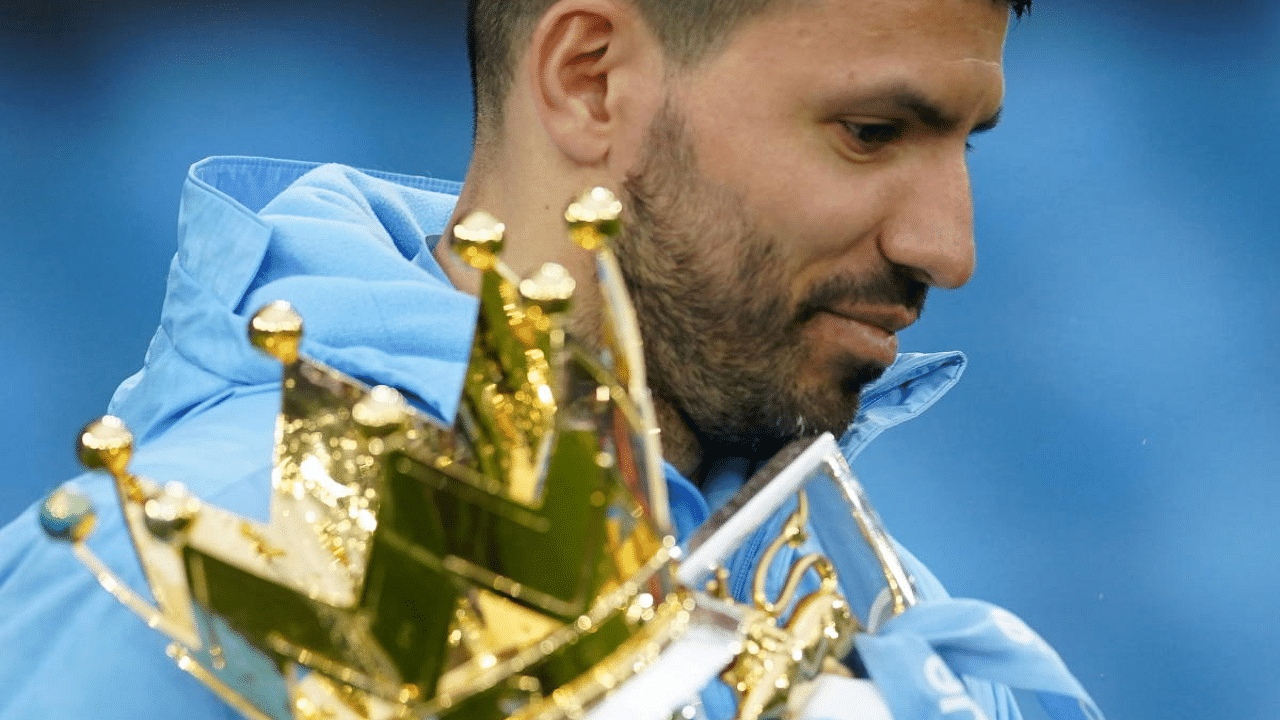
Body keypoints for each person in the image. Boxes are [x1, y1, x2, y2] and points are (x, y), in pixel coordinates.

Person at [0, 1, 1103, 718]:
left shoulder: (883, 625)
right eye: (869, 131)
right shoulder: (189, 573)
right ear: (589, 81)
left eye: (964, 141)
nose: (945, 248)